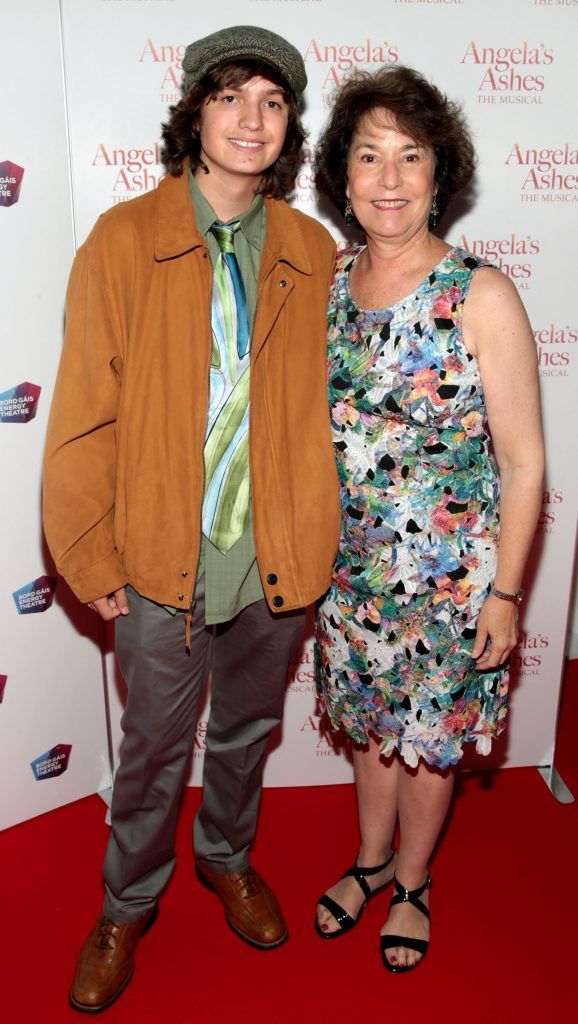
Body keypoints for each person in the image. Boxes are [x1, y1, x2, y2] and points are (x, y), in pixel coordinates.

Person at [43, 25, 339, 1013]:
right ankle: (126, 905)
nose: (251, 119)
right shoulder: (124, 240)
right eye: (230, 98)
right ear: (194, 113)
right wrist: (89, 553)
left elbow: (324, 413)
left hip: (273, 558)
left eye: (271, 101)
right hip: (160, 556)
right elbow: (83, 412)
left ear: (288, 126)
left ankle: (226, 857)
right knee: (154, 751)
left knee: (247, 730)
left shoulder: (309, 250)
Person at [313, 65, 544, 973]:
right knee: (372, 726)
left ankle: (412, 883)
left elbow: (525, 462)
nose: (391, 179)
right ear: (343, 175)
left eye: (411, 157)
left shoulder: (481, 295)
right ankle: (368, 863)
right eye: (370, 157)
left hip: (450, 586)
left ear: (439, 172)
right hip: (351, 574)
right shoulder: (331, 285)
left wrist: (507, 595)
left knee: (429, 746)